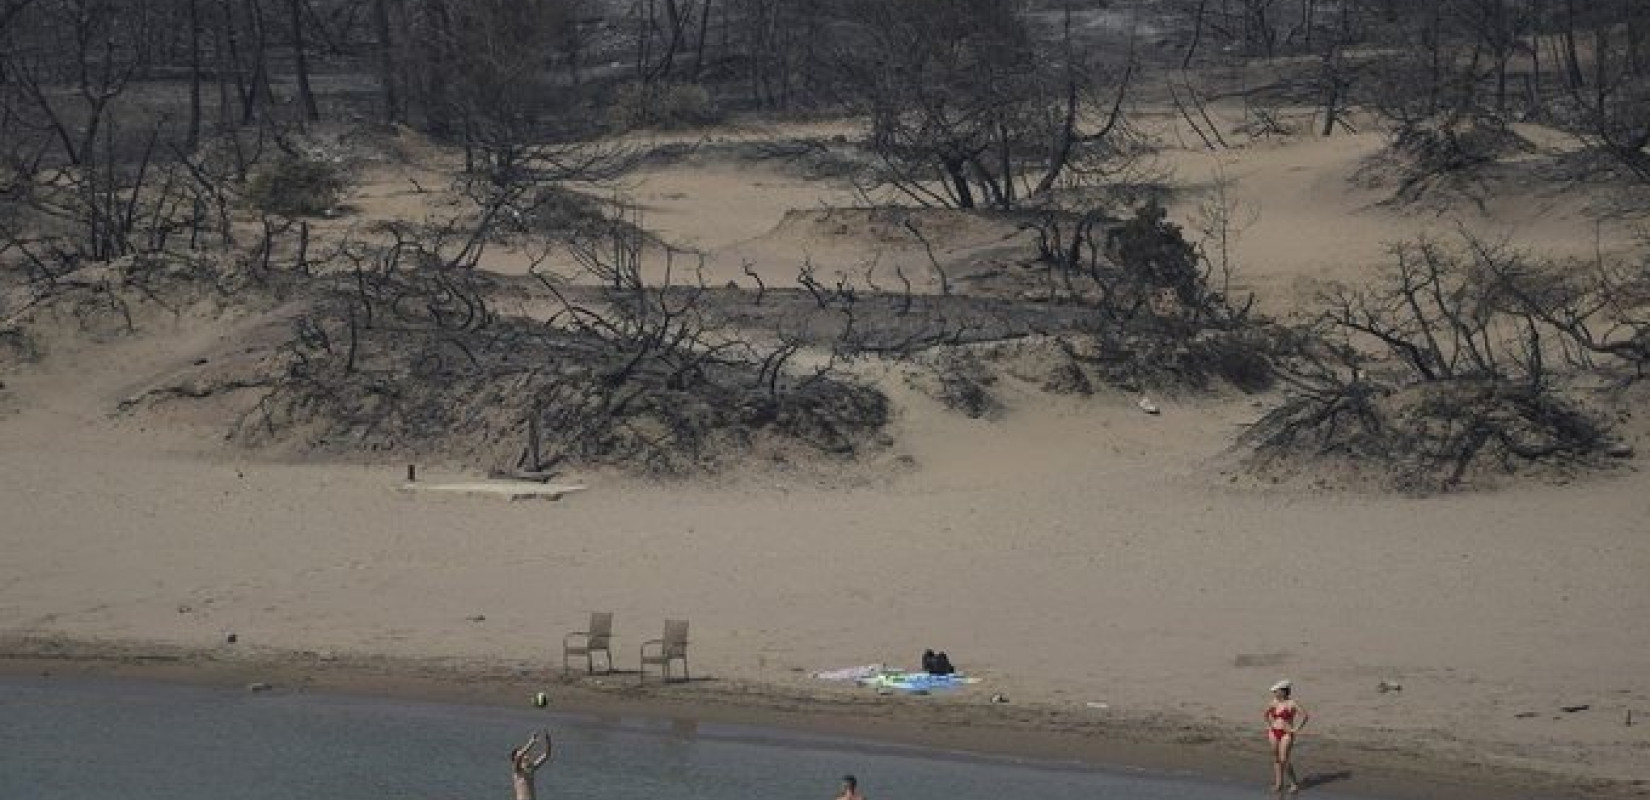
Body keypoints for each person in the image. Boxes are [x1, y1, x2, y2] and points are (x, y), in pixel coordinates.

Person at [1264, 680, 1309, 793]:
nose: (1275, 693)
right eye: (1274, 692)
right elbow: (1265, 714)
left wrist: (1295, 729)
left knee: (1284, 759)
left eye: (1276, 691)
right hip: (1274, 732)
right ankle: (1278, 784)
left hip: (1286, 734)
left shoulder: (1292, 703)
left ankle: (1294, 783)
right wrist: (1269, 726)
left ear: (1284, 691)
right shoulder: (1273, 702)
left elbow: (1305, 716)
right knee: (1276, 758)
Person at [511, 729, 553, 800]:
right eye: (524, 753)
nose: (526, 754)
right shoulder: (517, 770)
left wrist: (548, 741)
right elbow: (519, 756)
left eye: (526, 753)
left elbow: (546, 755)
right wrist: (532, 742)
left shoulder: (531, 768)